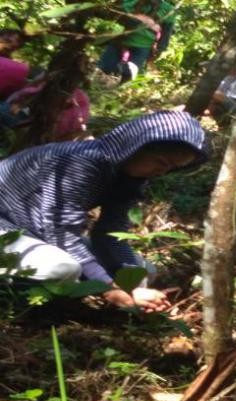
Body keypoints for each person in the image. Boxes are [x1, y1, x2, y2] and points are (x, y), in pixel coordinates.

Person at [0, 111, 210, 312]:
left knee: (142, 272)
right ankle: (18, 304)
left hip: (31, 229)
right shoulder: (83, 163)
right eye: (161, 162)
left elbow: (110, 231)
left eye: (172, 166)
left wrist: (132, 286)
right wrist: (111, 290)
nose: (163, 171)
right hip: (8, 223)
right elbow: (60, 232)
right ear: (137, 146)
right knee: (63, 269)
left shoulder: (129, 177)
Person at [97, 0, 176, 83]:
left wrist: (160, 49)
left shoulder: (167, 9)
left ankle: (116, 87)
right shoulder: (127, 0)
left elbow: (166, 31)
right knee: (105, 69)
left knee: (128, 74)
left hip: (143, 45)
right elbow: (110, 16)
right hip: (119, 40)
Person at [0, 79, 90, 141]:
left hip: (38, 129)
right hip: (50, 135)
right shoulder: (81, 98)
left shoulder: (64, 91)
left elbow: (26, 94)